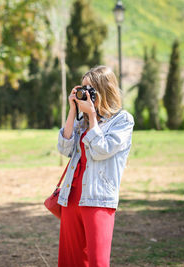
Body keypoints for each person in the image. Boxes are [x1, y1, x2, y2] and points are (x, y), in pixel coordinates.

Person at [57, 65, 134, 267]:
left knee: (97, 261)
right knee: (71, 261)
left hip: (98, 198)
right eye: (82, 89)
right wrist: (73, 112)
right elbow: (64, 148)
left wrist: (92, 116)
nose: (85, 95)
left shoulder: (122, 120)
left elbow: (101, 150)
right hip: (72, 196)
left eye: (89, 90)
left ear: (102, 91)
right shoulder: (81, 120)